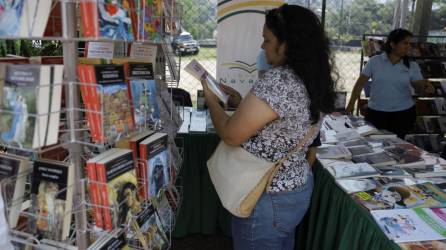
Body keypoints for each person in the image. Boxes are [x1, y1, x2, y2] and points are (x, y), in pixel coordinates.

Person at [201, 4, 336, 249]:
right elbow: (284, 123)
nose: (262, 46)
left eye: (267, 39)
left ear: (288, 43)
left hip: (265, 195)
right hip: (295, 187)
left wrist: (212, 101)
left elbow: (231, 135)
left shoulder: (280, 79)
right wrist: (242, 104)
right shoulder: (313, 77)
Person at [346, 28, 434, 139]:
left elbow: (418, 86)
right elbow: (359, 84)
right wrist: (351, 104)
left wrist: (425, 86)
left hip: (403, 114)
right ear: (392, 44)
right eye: (405, 43)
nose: (408, 46)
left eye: (410, 44)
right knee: (374, 144)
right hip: (376, 113)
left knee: (397, 148)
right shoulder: (374, 61)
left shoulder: (412, 65)